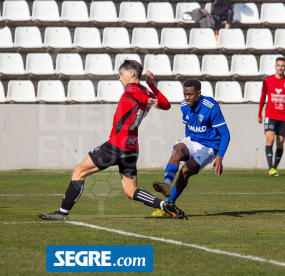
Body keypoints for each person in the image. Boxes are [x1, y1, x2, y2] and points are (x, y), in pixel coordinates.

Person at [39, 60, 182, 220]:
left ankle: (62, 213)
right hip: (132, 148)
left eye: (121, 74)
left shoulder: (132, 88)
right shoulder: (147, 92)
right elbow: (166, 105)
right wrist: (152, 86)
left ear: (132, 74)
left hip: (115, 145)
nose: (120, 79)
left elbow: (141, 98)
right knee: (131, 191)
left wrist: (148, 100)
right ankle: (164, 206)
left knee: (78, 171)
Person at [150, 79, 230, 218]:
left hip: (209, 146)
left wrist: (220, 157)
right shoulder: (184, 105)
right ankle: (166, 185)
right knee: (177, 152)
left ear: (198, 93)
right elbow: (188, 126)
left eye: (190, 94)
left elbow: (225, 134)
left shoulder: (211, 106)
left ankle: (169, 203)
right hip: (192, 140)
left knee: (186, 170)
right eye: (185, 94)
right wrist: (187, 147)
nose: (187, 97)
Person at [258, 57, 285, 177]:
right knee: (270, 139)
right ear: (275, 66)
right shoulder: (268, 80)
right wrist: (260, 113)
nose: (280, 68)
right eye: (278, 65)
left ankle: (274, 167)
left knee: (280, 142)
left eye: (282, 66)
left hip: (283, 116)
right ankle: (271, 168)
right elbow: (263, 97)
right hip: (270, 115)